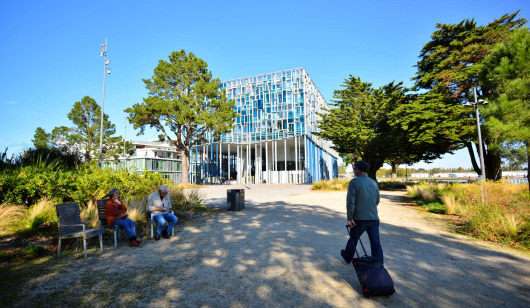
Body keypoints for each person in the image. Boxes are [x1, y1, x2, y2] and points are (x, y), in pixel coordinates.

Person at [341, 161, 384, 264]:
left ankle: (348, 256)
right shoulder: (373, 182)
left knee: (354, 238)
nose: (354, 170)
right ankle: (379, 263)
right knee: (375, 242)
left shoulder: (354, 182)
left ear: (359, 170)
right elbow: (377, 200)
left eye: (355, 168)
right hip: (373, 218)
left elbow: (351, 202)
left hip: (359, 219)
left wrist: (350, 218)